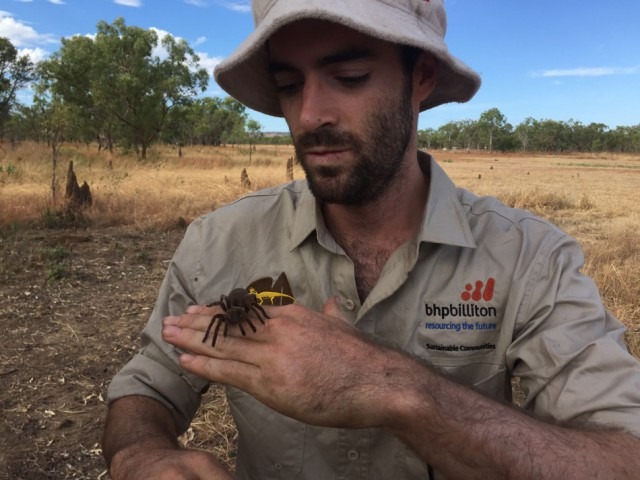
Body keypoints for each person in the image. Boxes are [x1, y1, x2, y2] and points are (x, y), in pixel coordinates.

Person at [102, 0, 640, 479]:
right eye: (289, 86)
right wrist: (142, 454)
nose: (310, 115)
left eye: (351, 76)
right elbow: (148, 385)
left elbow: (625, 455)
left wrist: (396, 388)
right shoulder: (219, 242)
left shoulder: (529, 257)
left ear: (421, 75)